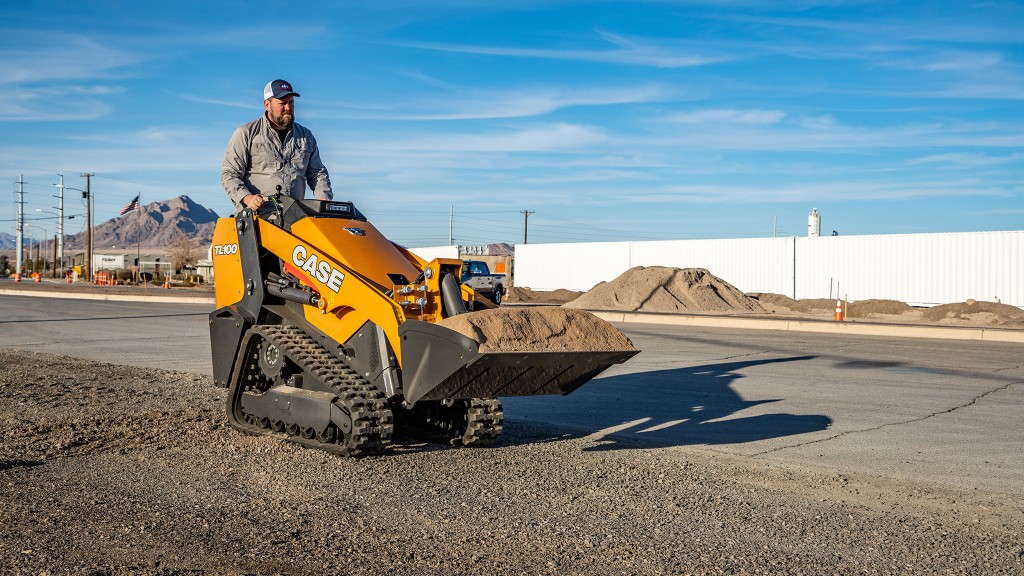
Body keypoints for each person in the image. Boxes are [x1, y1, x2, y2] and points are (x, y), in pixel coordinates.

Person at [221, 79, 333, 212]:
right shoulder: (246, 133)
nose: (288, 108)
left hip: (296, 217)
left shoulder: (306, 136)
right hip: (257, 218)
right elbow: (229, 173)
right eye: (282, 103)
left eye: (291, 102)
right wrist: (247, 197)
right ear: (267, 104)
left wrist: (323, 199)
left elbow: (318, 173)